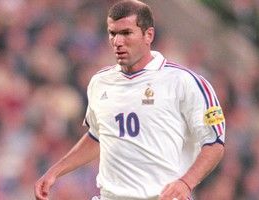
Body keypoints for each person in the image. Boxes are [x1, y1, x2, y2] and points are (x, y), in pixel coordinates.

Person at [34, 0, 225, 200]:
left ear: (148, 35)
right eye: (112, 33)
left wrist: (186, 183)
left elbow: (214, 142)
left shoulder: (184, 82)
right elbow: (98, 136)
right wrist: (55, 172)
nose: (117, 41)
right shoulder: (101, 82)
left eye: (126, 33)